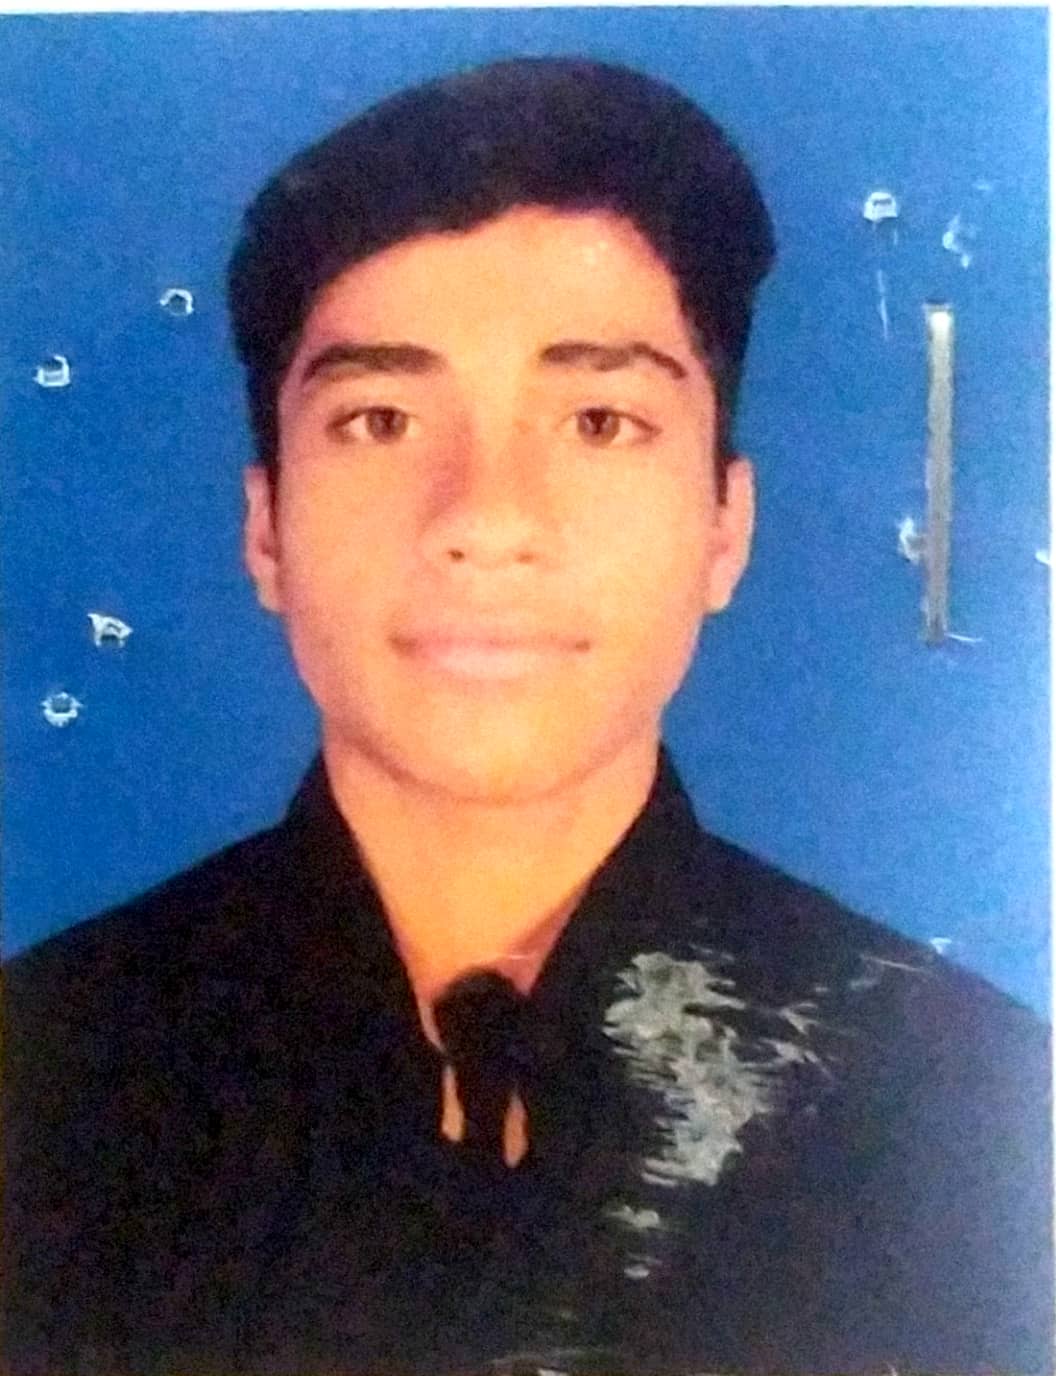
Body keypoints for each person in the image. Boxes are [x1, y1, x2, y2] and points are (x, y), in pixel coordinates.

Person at [3, 57, 1051, 1376]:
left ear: (725, 523)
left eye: (600, 420)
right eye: (380, 418)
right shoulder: (42, 1076)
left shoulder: (974, 1109)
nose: (486, 518)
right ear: (264, 525)